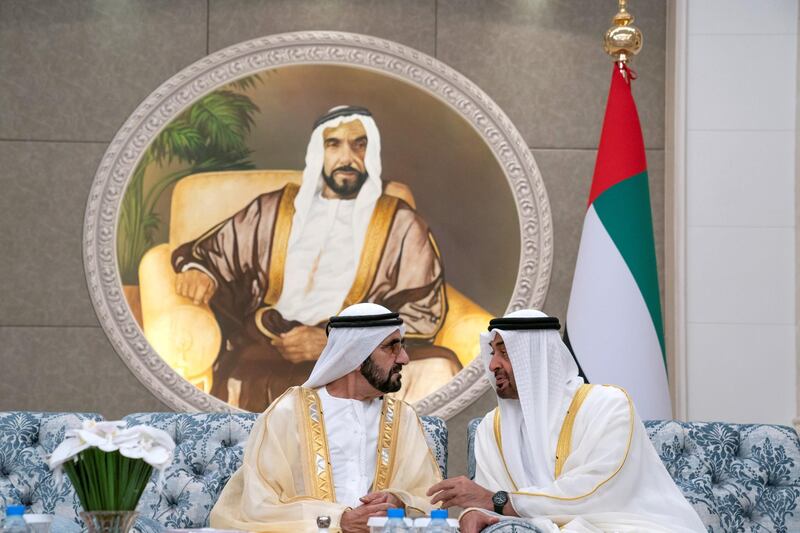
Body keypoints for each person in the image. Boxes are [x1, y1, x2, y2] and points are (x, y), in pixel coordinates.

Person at [171, 105, 460, 411]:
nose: (346, 158)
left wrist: (341, 343)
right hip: (273, 341)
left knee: (439, 370)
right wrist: (198, 271)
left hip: (361, 351)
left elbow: (422, 311)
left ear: (371, 152)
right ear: (317, 152)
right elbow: (213, 253)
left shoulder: (401, 223)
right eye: (333, 144)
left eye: (358, 145)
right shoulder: (273, 210)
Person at [427, 310, 705, 533]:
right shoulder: (493, 427)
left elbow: (592, 492)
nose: (492, 365)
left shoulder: (607, 406)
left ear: (535, 357)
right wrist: (473, 511)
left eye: (505, 352)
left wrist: (495, 501)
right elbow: (488, 497)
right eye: (492, 353)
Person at [209, 303, 442, 533]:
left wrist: (398, 501)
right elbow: (259, 505)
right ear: (356, 354)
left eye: (401, 347)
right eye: (391, 347)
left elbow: (426, 494)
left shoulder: (403, 417)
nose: (404, 358)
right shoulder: (289, 413)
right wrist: (338, 520)